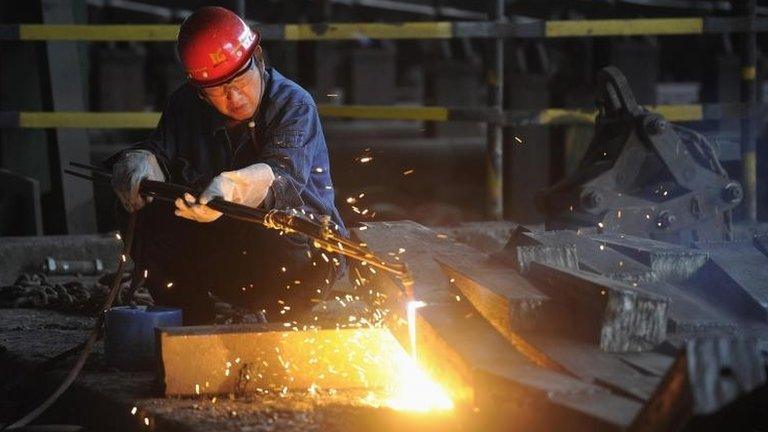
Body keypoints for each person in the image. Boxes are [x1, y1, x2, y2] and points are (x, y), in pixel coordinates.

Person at [107, 6, 347, 324]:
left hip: (298, 254)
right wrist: (141, 162)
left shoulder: (294, 104)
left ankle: (279, 318)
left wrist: (233, 189)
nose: (234, 97)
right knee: (142, 211)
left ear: (257, 57)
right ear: (200, 93)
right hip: (229, 254)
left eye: (239, 80)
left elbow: (283, 179)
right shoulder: (185, 105)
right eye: (218, 90)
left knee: (281, 228)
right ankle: (192, 320)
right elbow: (159, 155)